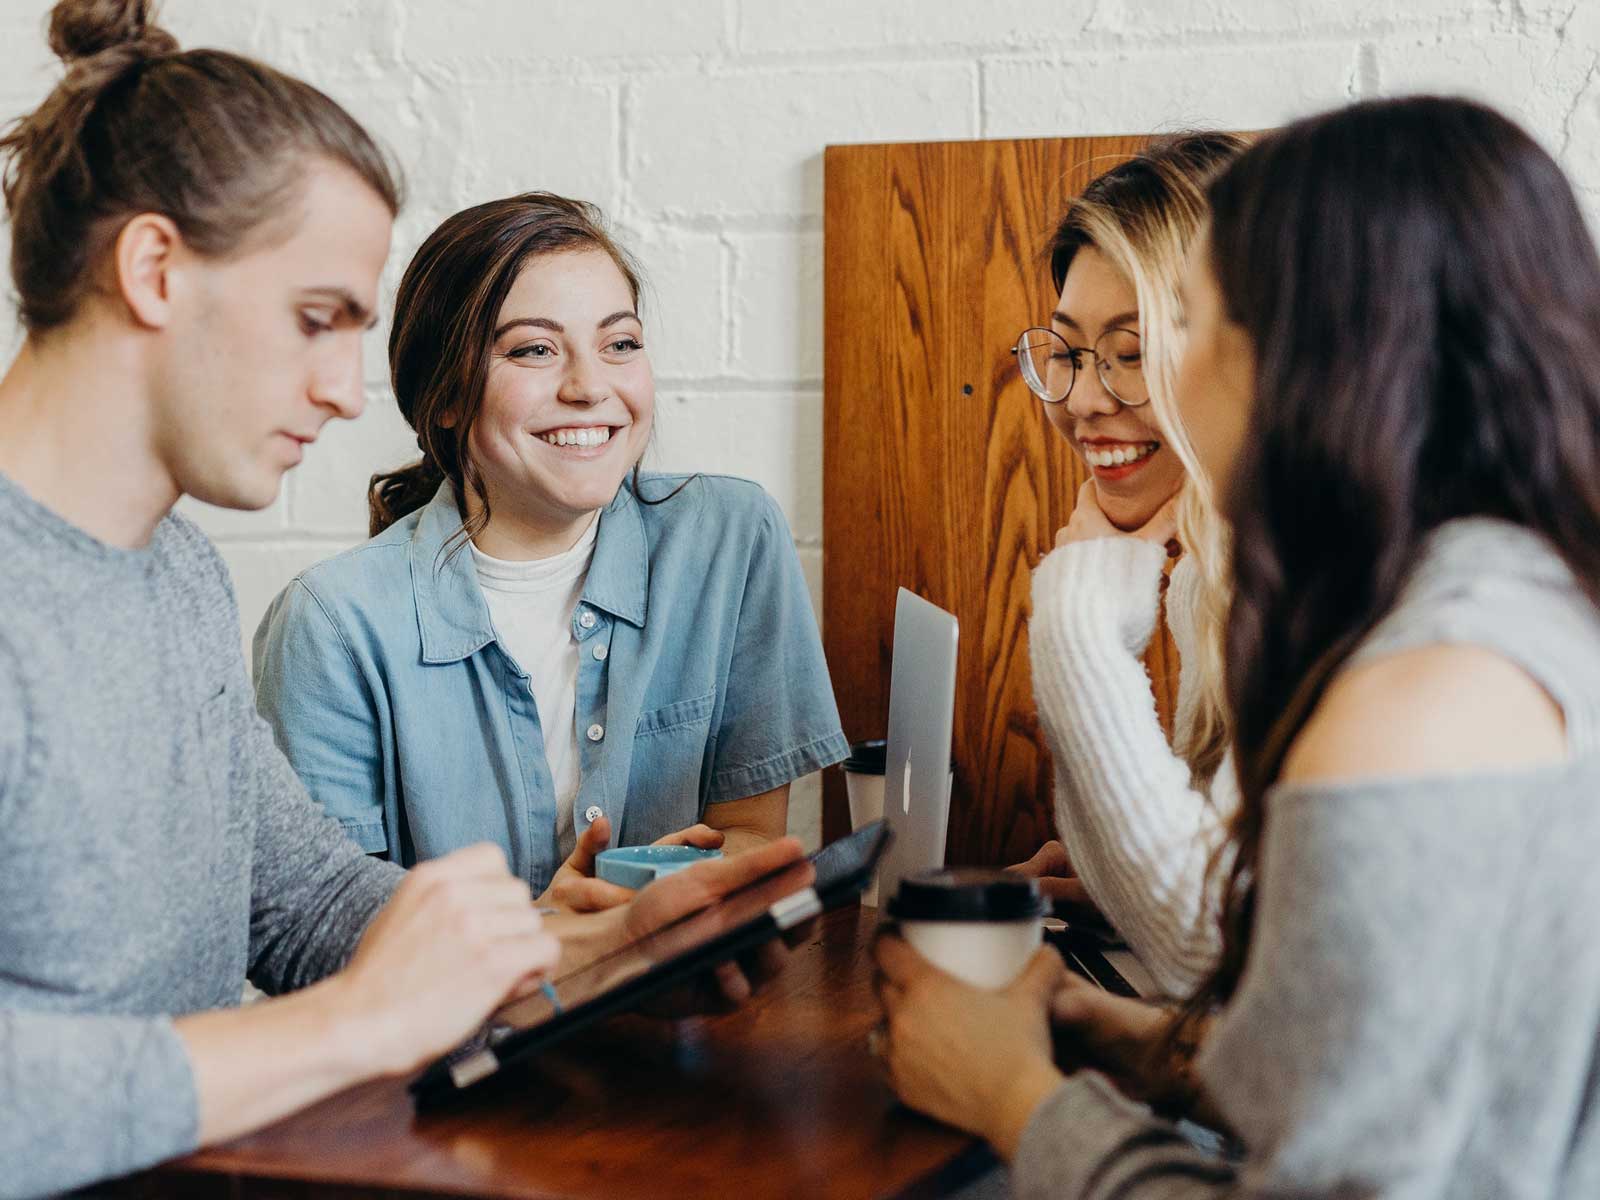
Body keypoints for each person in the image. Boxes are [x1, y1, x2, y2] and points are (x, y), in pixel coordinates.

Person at [0, 5, 807, 1195]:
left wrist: (571, 952)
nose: (342, 392)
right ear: (153, 268)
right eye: (315, 319)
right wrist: (356, 1026)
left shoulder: (170, 574)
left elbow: (308, 900)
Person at [876, 95, 1600, 1197]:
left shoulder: (1417, 695)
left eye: (1193, 324)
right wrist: (1145, 1049)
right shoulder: (1513, 601)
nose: (1123, 391)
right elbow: (1401, 1086)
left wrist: (1014, 1099)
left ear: (1316, 355)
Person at [252, 192, 849, 910]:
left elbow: (750, 836)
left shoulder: (730, 539)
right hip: (463, 1022)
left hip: (679, 1006)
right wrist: (557, 935)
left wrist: (654, 898)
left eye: (619, 343)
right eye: (534, 349)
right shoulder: (331, 624)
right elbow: (330, 932)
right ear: (443, 396)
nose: (590, 386)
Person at [1008, 133, 1245, 996]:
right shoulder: (1212, 573)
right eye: (1067, 352)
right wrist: (1117, 881)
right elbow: (1226, 915)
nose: (1082, 400)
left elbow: (1206, 951)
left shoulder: (1316, 583)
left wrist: (1076, 617)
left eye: (1133, 352)